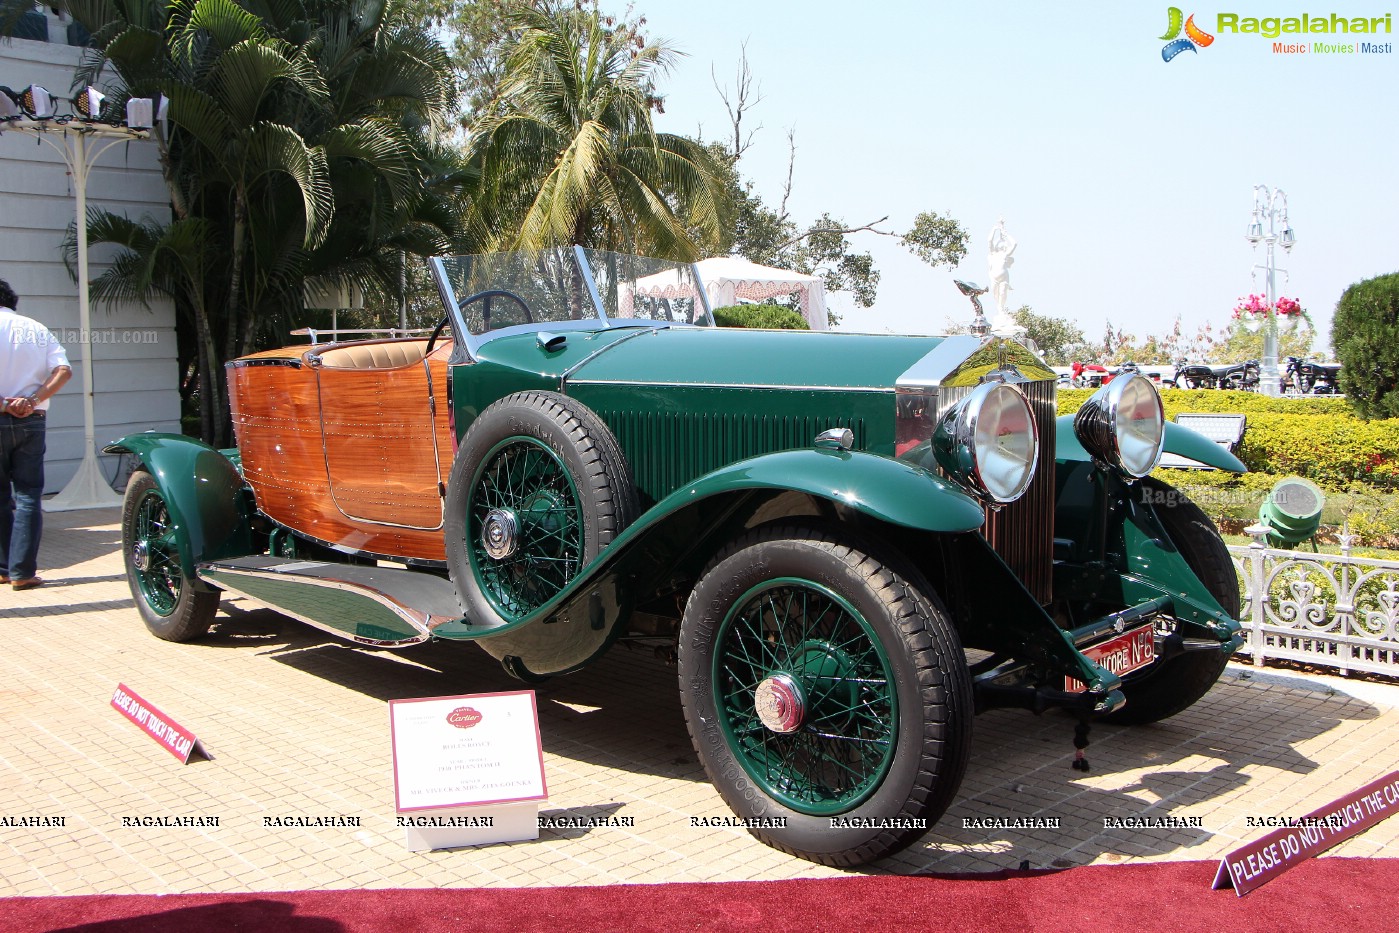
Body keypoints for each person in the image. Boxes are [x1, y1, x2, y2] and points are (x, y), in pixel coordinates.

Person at [1, 278, 71, 590]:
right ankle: (23, 572)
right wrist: (30, 400)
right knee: (29, 494)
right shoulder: (36, 328)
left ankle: (3, 569)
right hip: (32, 420)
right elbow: (64, 371)